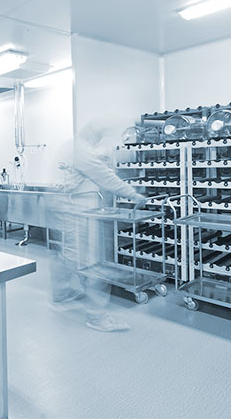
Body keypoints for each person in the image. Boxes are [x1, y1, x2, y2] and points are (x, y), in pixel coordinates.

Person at [48, 119, 147, 332]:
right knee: (92, 263)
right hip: (80, 213)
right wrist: (133, 194)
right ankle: (97, 316)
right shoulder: (81, 150)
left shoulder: (69, 146)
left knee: (68, 256)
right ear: (93, 134)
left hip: (66, 210)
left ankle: (61, 293)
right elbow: (104, 177)